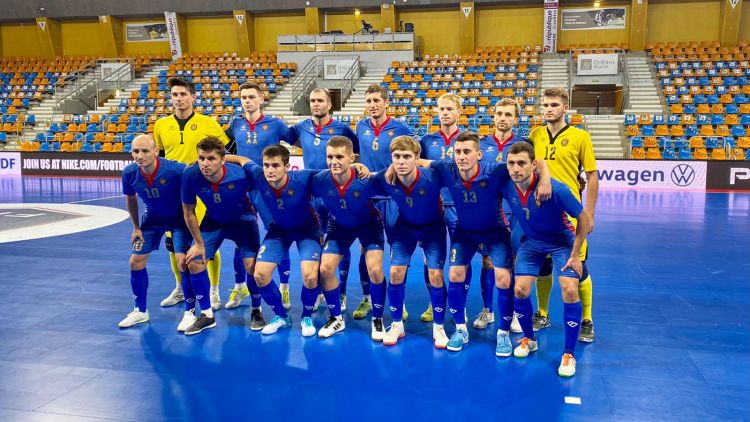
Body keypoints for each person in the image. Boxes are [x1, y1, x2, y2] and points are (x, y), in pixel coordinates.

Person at [419, 132, 550, 352]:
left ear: (479, 154)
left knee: (503, 279)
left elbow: (538, 163)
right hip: (465, 232)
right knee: (454, 275)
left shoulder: (495, 170)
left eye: (467, 152)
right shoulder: (446, 168)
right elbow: (417, 160)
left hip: (495, 231)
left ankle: (503, 333)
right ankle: (461, 329)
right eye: (458, 152)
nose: (461, 156)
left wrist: (545, 180)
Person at [227, 145, 367, 337]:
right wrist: (221, 158)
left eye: (275, 165)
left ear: (287, 166)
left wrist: (357, 166)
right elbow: (243, 161)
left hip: (307, 230)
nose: (269, 170)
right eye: (266, 165)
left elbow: (334, 172)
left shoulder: (304, 177)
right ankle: (280, 316)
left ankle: (306, 316)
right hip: (278, 231)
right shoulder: (258, 174)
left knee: (310, 276)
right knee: (259, 274)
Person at [501, 141, 591, 377]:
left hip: (562, 242)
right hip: (531, 242)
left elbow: (584, 219)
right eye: (511, 163)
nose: (515, 168)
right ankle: (528, 339)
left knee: (569, 290)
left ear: (533, 165)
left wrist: (576, 254)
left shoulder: (557, 189)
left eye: (522, 163)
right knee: (520, 290)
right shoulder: (506, 183)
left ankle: (569, 353)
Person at [180, 137, 287, 335]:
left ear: (223, 160)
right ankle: (206, 314)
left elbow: (263, 184)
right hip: (213, 222)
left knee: (252, 267)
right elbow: (189, 211)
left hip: (243, 221)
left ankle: (257, 309)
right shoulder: (190, 174)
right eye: (201, 158)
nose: (205, 163)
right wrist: (198, 243)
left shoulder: (241, 174)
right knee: (194, 261)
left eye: (211, 158)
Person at [528, 87, 599, 343]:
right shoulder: (535, 135)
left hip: (569, 215)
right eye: (545, 105)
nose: (549, 109)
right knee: (543, 265)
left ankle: (587, 319)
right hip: (540, 213)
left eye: (554, 105)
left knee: (578, 265)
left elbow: (592, 175)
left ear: (565, 107)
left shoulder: (581, 137)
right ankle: (543, 312)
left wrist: (589, 213)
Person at [154, 77, 230, 311]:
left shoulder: (208, 123)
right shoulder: (161, 125)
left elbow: (225, 151)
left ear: (193, 97)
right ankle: (179, 287)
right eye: (175, 94)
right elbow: (162, 156)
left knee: (205, 243)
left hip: (202, 190)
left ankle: (214, 290)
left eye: (183, 94)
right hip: (173, 192)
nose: (178, 98)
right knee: (173, 241)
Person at [289, 88, 365, 317]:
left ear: (329, 104)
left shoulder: (342, 129)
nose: (315, 104)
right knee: (319, 241)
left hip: (337, 193)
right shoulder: (301, 127)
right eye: (312, 100)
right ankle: (323, 287)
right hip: (312, 195)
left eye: (320, 100)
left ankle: (340, 291)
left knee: (339, 242)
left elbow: (356, 152)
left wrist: (356, 168)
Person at [224, 81, 293, 327]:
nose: (247, 101)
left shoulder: (276, 124)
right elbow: (225, 147)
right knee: (241, 238)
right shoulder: (235, 123)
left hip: (269, 188)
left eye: (251, 97)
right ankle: (239, 286)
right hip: (241, 188)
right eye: (243, 97)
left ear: (261, 98)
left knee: (279, 232)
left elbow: (295, 140)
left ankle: (284, 286)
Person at [373, 136, 449, 347]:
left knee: (435, 275)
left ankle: (439, 327)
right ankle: (397, 324)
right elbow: (359, 178)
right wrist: (358, 165)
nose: (401, 162)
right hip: (404, 228)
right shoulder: (385, 178)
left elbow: (453, 171)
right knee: (396, 272)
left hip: (433, 229)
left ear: (417, 158)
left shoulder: (432, 177)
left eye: (407, 157)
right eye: (396, 157)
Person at [311, 136, 389, 341]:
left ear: (351, 157)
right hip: (339, 227)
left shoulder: (367, 180)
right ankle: (336, 317)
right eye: (330, 157)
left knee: (375, 269)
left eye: (339, 156)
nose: (334, 161)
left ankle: (378, 319)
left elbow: (394, 179)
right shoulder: (320, 179)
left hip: (369, 226)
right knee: (325, 269)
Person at [118, 135, 194, 331]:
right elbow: (131, 199)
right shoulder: (129, 173)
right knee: (135, 262)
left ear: (155, 151)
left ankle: (190, 312)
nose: (139, 156)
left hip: (179, 219)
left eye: (144, 151)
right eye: (135, 151)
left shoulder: (175, 169)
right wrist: (135, 227)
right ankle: (140, 312)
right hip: (153, 219)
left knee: (183, 262)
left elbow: (196, 184)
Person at [355, 83, 414, 320]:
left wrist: (393, 166)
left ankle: (399, 300)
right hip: (368, 195)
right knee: (365, 248)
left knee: (395, 249)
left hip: (393, 195)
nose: (372, 105)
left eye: (376, 100)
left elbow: (415, 153)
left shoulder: (400, 127)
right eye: (368, 101)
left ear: (386, 102)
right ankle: (367, 298)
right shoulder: (360, 126)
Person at [417, 92, 464, 323]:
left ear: (459, 112)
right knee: (430, 259)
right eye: (441, 109)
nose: (445, 113)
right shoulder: (426, 141)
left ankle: (459, 305)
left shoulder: (467, 140)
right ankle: (433, 302)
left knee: (460, 259)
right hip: (432, 207)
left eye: (449, 109)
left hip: (459, 206)